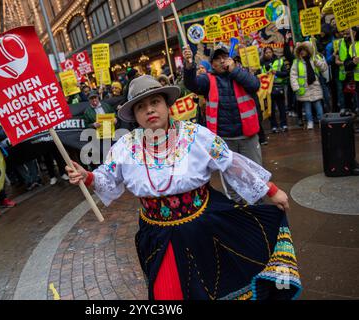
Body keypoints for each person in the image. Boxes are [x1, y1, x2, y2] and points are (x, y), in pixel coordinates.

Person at [65, 75, 301, 300]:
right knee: (168, 292)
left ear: (167, 105)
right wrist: (86, 176)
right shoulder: (125, 146)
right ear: (135, 115)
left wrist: (271, 190)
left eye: (155, 102)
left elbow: (230, 163)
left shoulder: (196, 135)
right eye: (141, 107)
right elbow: (107, 177)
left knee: (212, 286)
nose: (149, 110)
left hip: (203, 226)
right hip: (156, 234)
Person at [183, 46, 262, 202]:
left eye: (224, 57)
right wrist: (189, 66)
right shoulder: (208, 80)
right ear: (212, 64)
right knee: (231, 180)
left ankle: (259, 208)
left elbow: (254, 85)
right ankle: (237, 211)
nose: (222, 60)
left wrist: (235, 71)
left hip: (248, 136)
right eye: (217, 59)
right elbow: (192, 84)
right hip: (224, 141)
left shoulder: (240, 73)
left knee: (255, 176)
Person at [290, 42, 328, 129]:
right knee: (307, 108)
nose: (302, 52)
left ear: (308, 51)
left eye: (304, 50)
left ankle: (321, 121)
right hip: (303, 88)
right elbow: (293, 76)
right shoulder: (296, 62)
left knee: (318, 105)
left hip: (315, 86)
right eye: (301, 50)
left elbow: (324, 68)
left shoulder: (314, 59)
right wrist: (296, 87)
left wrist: (317, 62)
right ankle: (310, 122)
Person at [260, 47, 289, 133]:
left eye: (270, 52)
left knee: (282, 108)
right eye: (266, 52)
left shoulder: (279, 61)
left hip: (278, 87)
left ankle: (284, 124)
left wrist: (276, 72)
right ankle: (274, 126)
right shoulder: (261, 64)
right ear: (264, 54)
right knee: (270, 109)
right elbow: (258, 75)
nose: (268, 54)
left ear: (273, 52)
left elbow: (285, 73)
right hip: (267, 90)